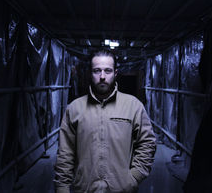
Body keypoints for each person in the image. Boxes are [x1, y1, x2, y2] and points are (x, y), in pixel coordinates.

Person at [54, 50, 156, 193]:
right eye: (97, 71)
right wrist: (62, 187)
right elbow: (65, 152)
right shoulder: (74, 108)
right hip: (84, 189)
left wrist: (133, 177)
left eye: (107, 71)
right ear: (90, 73)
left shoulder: (133, 106)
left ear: (115, 73)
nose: (102, 76)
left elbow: (148, 143)